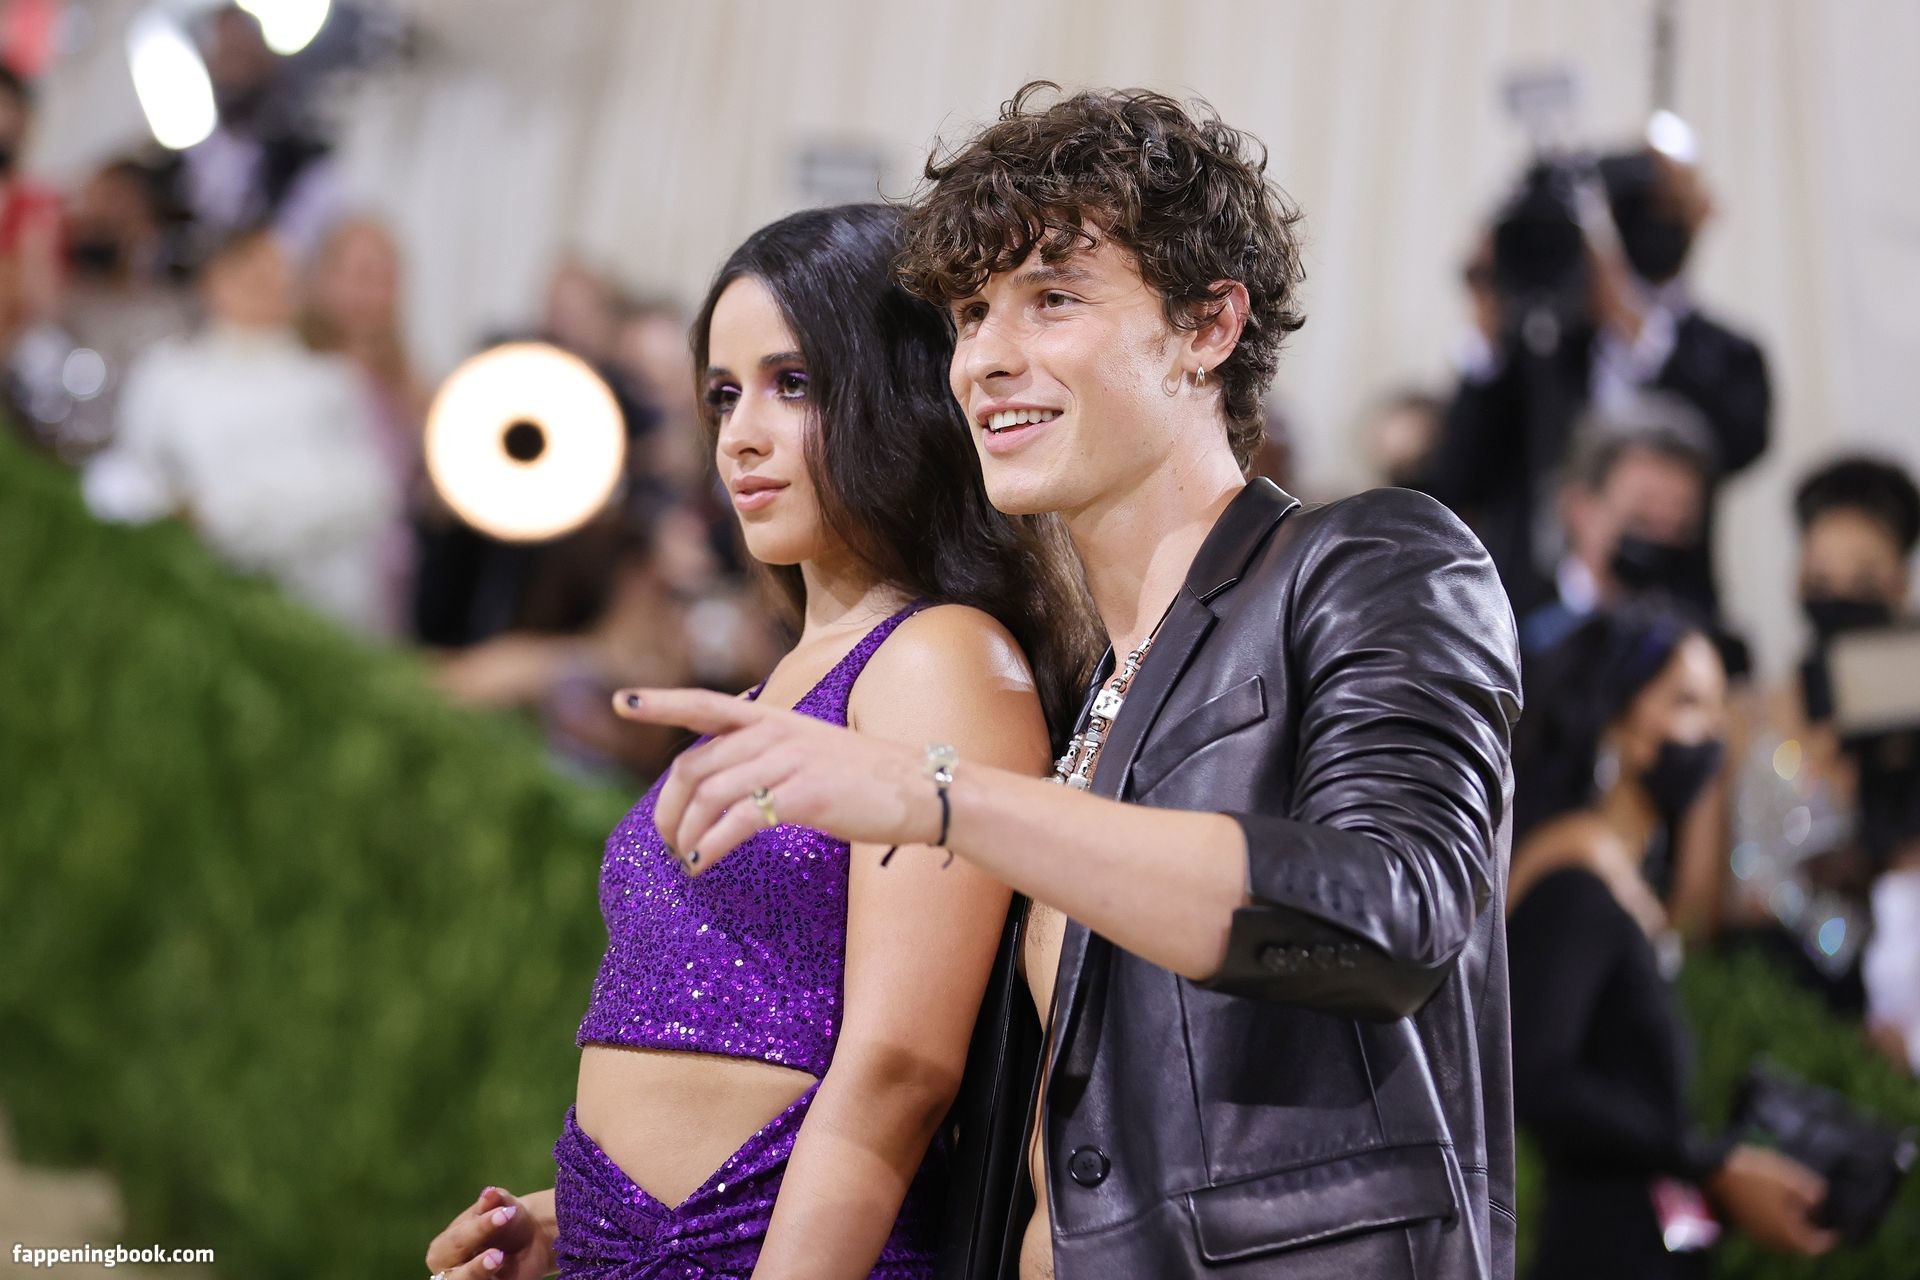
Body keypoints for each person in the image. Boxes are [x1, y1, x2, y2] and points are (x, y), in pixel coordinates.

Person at [616, 84, 1522, 1280]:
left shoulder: (1371, 559)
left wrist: (938, 794)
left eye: (1053, 299)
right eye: (971, 315)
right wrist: (614, 1227)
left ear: (1208, 327)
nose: (988, 359)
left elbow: (1389, 917)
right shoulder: (1084, 689)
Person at [423, 202, 1096, 1279]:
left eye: (795, 383)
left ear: (903, 394)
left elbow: (901, 1069)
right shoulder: (777, 681)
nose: (740, 434)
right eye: (724, 394)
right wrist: (573, 1224)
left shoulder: (938, 656)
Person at [1506, 604, 1838, 1279]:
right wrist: (1710, 1163)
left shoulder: (1624, 881)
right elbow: (1538, 1076)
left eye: (1718, 708)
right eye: (1688, 703)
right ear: (1619, 721)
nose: (1713, 733)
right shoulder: (1574, 882)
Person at [1421, 141, 1769, 618]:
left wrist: (1633, 327)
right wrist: (1486, 320)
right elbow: (1458, 478)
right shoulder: (1538, 351)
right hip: (1526, 617)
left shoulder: (1727, 352)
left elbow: (1738, 445)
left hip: (1675, 615)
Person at [79, 225, 398, 636]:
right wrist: (176, 511)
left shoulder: (329, 382)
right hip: (197, 601)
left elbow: (364, 492)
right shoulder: (167, 376)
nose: (264, 285)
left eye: (276, 273)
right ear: (214, 279)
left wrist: (224, 513)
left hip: (310, 606)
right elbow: (130, 474)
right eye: (248, 271)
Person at [1724, 456, 1920, 1046]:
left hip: (1880, 1009)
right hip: (1757, 989)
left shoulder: (1906, 718)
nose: (1838, 596)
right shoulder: (1746, 710)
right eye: (1821, 575)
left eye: (1863, 577)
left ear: (1900, 584)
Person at [1519, 397, 1717, 658]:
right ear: (1580, 508)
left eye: (1680, 527)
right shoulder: (1513, 627)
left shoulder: (1699, 644)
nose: (1661, 540)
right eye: (1641, 519)